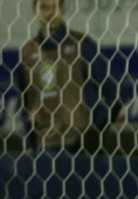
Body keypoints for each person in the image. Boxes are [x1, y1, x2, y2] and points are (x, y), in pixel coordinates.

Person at [18, 0, 111, 152]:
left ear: (63, 9)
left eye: (55, 7)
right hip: (45, 147)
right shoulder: (27, 52)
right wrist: (29, 143)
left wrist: (94, 132)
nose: (50, 13)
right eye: (44, 7)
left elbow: (113, 93)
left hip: (81, 148)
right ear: (34, 10)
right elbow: (25, 103)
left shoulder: (82, 45)